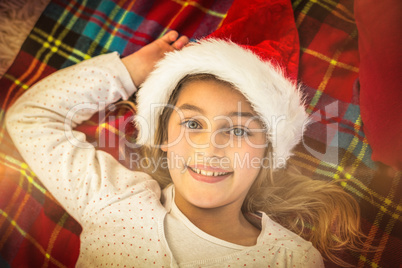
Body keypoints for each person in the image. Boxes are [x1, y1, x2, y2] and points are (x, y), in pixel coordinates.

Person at [6, 29, 362, 267]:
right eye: (192, 124)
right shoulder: (113, 199)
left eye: (237, 130)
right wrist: (132, 70)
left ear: (268, 154)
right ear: (162, 137)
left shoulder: (291, 258)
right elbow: (30, 118)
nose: (211, 148)